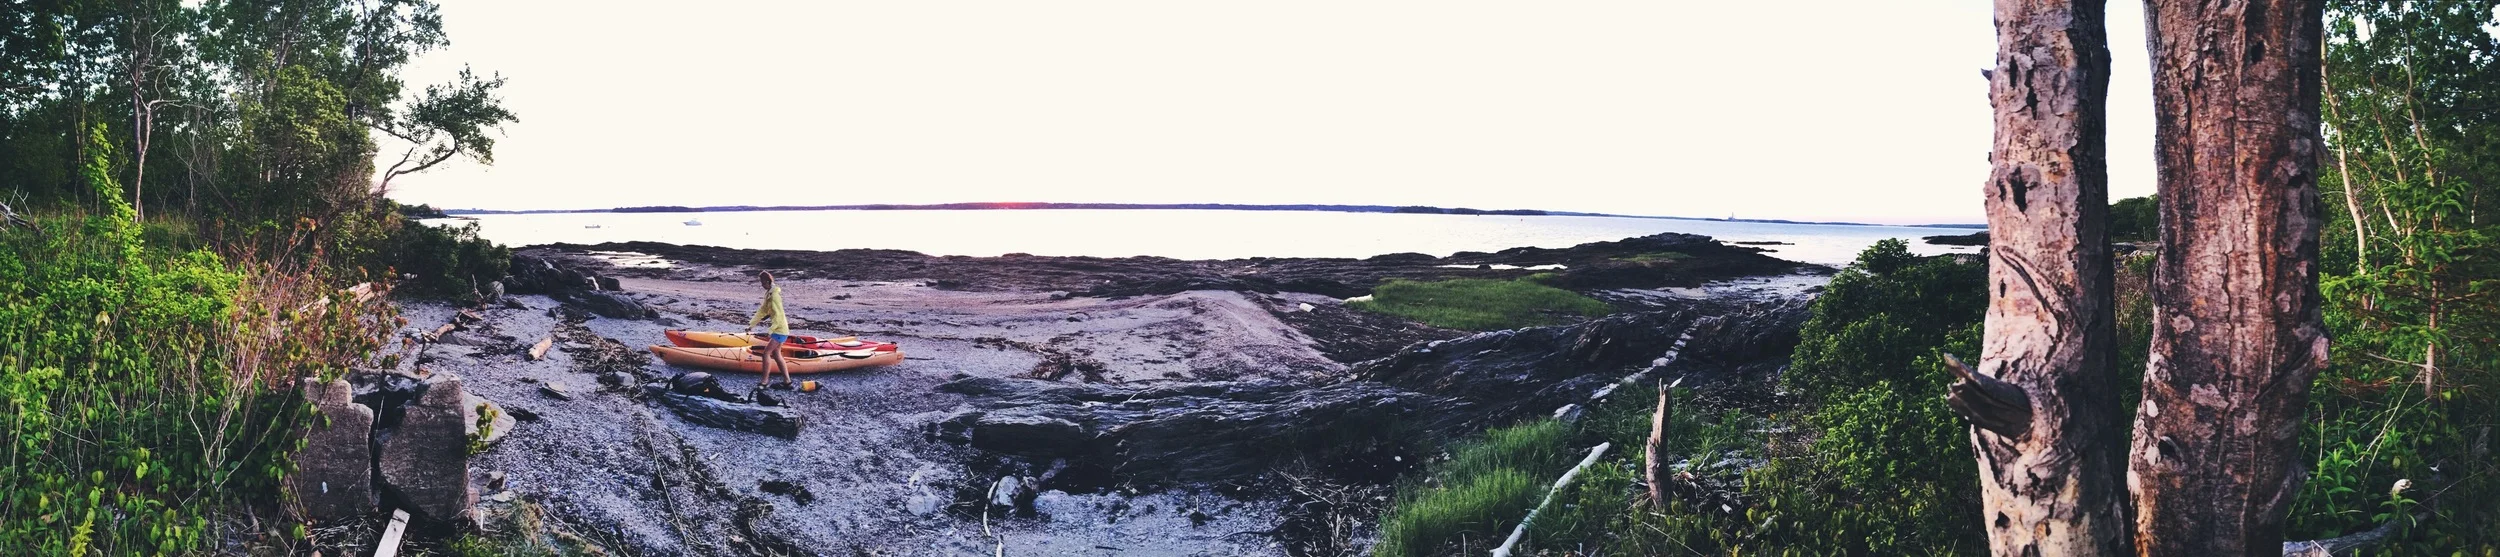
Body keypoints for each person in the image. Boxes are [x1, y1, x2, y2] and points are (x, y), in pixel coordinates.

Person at [748, 271, 795, 389]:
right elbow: (763, 310)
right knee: (776, 354)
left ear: (768, 282)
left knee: (766, 354)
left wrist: (770, 331)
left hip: (780, 329)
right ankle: (787, 382)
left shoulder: (774, 296)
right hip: (778, 329)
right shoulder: (769, 293)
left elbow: (778, 315)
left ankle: (764, 382)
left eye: (763, 283)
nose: (761, 285)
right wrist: (751, 324)